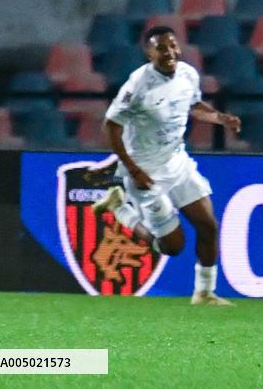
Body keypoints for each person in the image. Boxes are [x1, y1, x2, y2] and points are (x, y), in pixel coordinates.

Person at [92, 25, 241, 306]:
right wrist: (133, 170)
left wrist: (221, 118)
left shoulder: (187, 74)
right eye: (161, 48)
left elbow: (193, 105)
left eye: (172, 46)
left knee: (208, 226)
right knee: (173, 247)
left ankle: (204, 293)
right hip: (145, 172)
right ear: (149, 54)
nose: (169, 52)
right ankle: (119, 208)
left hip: (177, 162)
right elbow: (111, 127)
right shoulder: (137, 85)